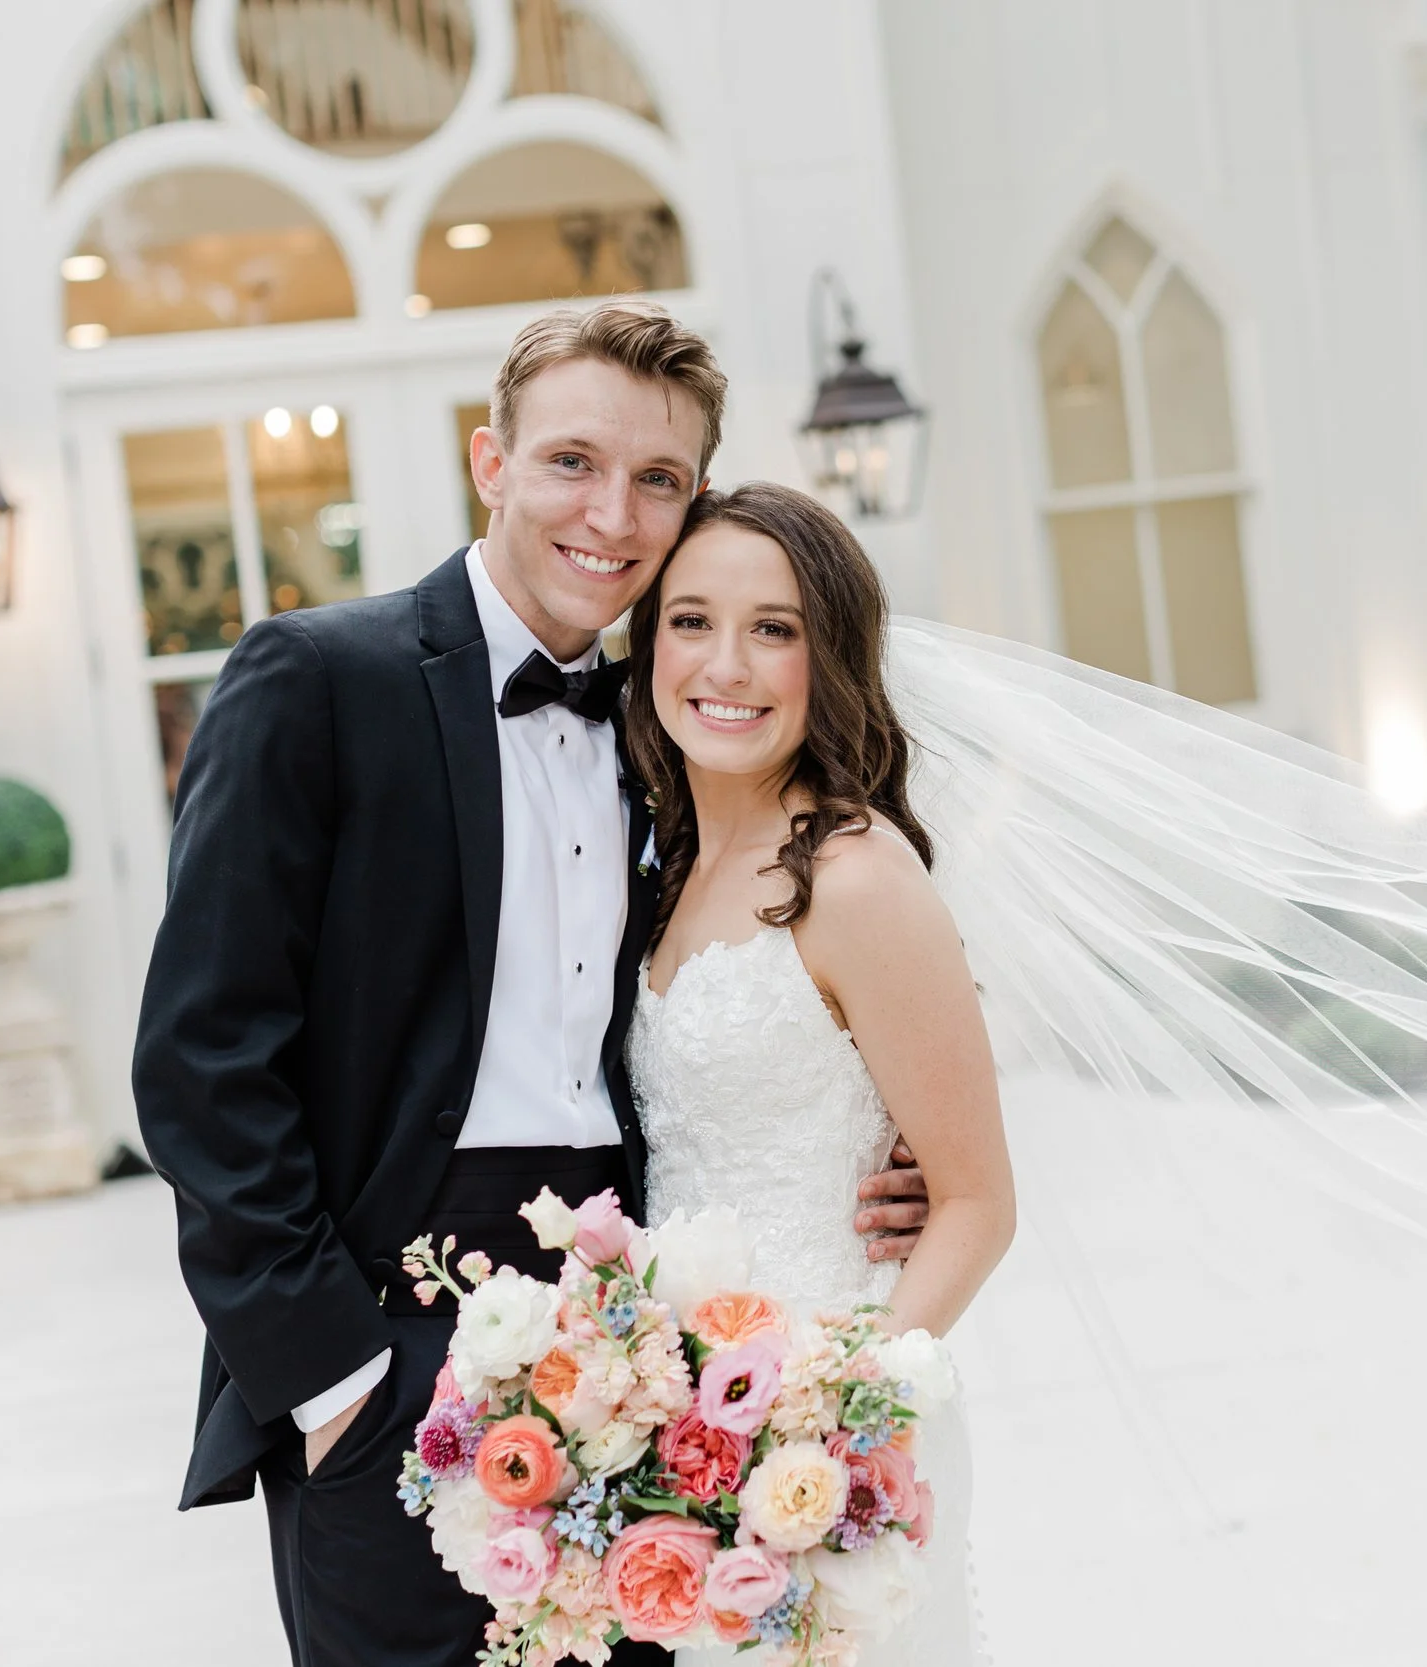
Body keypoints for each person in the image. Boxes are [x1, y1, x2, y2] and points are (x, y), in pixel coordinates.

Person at [130, 303, 929, 1667]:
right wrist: (335, 1381)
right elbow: (202, 1063)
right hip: (383, 1331)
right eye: (572, 461)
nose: (611, 513)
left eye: (659, 480)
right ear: (490, 463)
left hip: (644, 1338)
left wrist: (881, 1128)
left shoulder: (674, 723)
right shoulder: (319, 679)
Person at [624, 482, 1017, 1663]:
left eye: (775, 628)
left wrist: (835, 1432)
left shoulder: (853, 872)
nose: (726, 664)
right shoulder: (673, 862)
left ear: (827, 656)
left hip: (827, 1441)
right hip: (680, 1438)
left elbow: (977, 1202)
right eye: (690, 620)